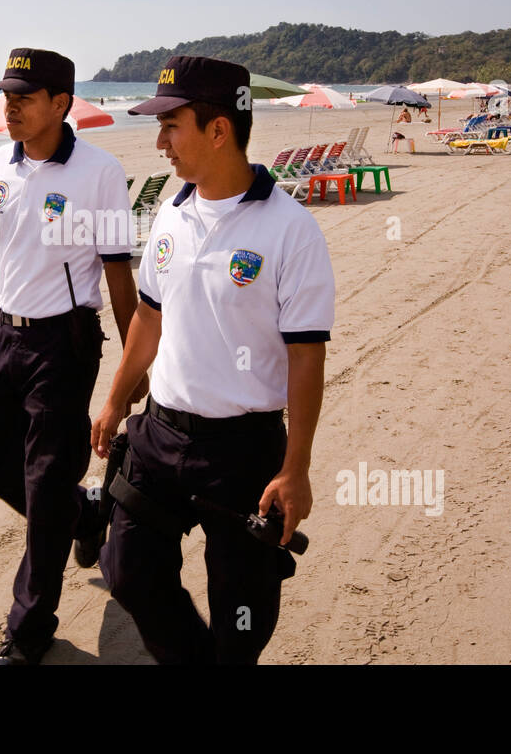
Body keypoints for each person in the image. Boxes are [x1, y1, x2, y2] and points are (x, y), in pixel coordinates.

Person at [91, 55, 334, 664]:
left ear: (218, 129)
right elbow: (149, 316)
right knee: (127, 570)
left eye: (171, 125)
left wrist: (296, 467)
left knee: (242, 618)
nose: (160, 141)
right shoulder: (172, 213)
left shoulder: (290, 230)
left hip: (244, 453)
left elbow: (307, 357)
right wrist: (117, 399)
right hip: (161, 433)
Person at [0, 47, 144, 665]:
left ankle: (29, 629)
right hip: (6, 337)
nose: (8, 107)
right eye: (6, 96)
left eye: (24, 97)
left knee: (43, 481)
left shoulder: (99, 172)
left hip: (65, 343)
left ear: (60, 103)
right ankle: (83, 511)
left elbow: (119, 274)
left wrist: (132, 362)